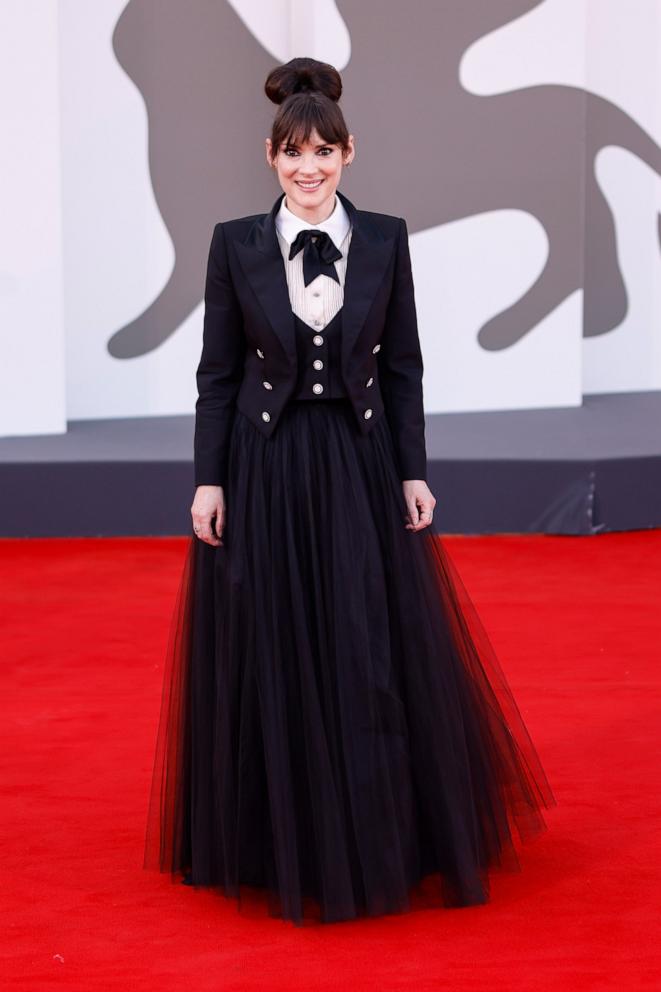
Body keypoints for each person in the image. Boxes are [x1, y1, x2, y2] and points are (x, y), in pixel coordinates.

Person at [143, 57, 556, 926]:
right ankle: (277, 839)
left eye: (324, 151)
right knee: (276, 638)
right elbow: (215, 376)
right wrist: (207, 481)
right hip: (266, 467)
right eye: (294, 153)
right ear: (269, 156)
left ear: (348, 153)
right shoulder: (235, 244)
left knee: (368, 638)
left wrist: (413, 469)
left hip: (360, 464)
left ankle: (384, 832)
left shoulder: (387, 238)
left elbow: (402, 366)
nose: (309, 167)